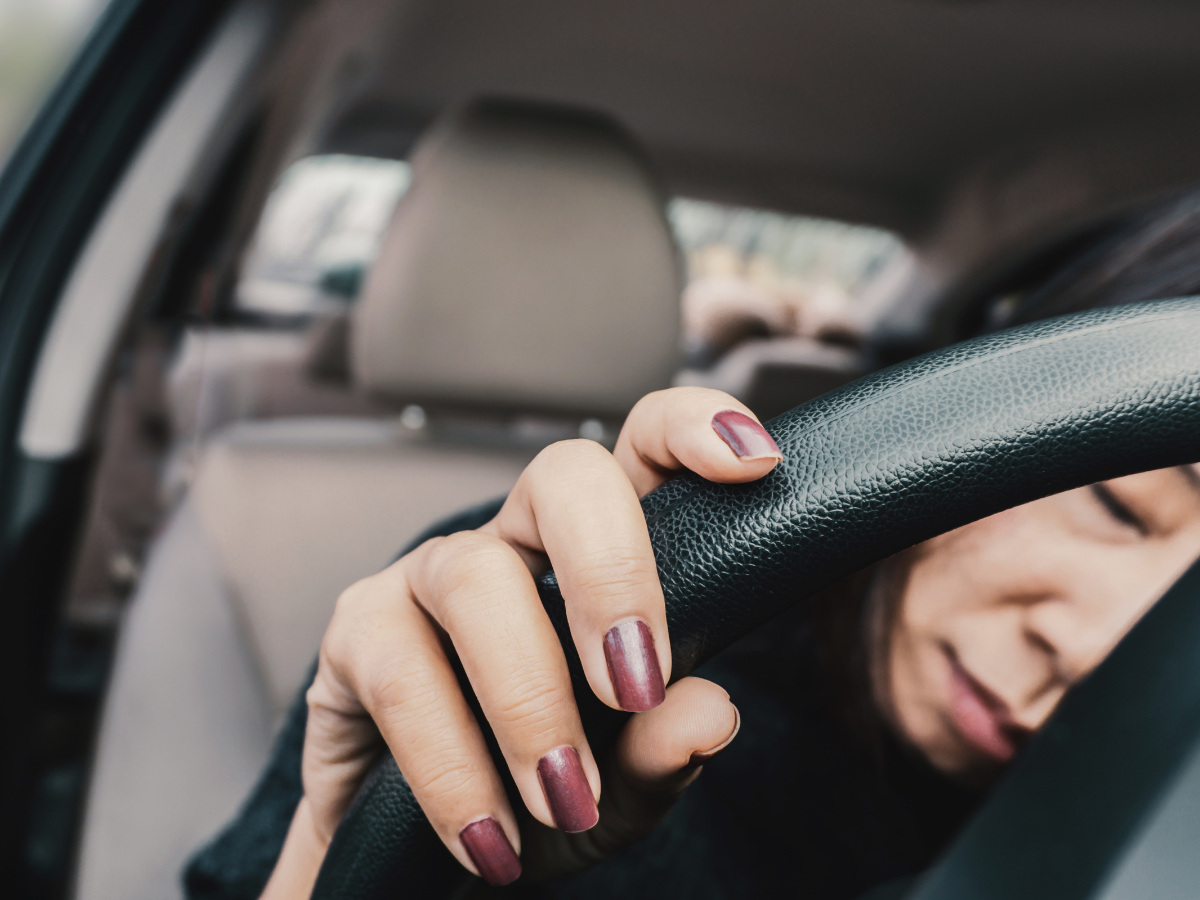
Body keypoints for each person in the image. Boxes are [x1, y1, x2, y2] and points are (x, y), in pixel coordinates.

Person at [185, 190, 1200, 900]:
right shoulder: (563, 630)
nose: (1093, 652)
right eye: (1116, 502)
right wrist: (341, 847)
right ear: (986, 396)